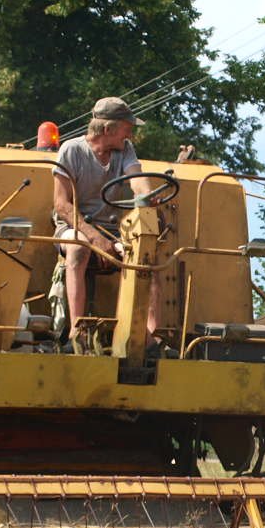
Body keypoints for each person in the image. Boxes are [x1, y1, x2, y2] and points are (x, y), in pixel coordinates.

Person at [50, 96, 156, 347]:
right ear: (108, 129)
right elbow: (62, 205)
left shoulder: (125, 150)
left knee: (147, 255)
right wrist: (92, 236)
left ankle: (148, 334)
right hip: (74, 226)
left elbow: (137, 180)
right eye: (126, 127)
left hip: (111, 229)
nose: (129, 134)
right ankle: (77, 330)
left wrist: (148, 197)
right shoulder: (71, 150)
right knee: (77, 249)